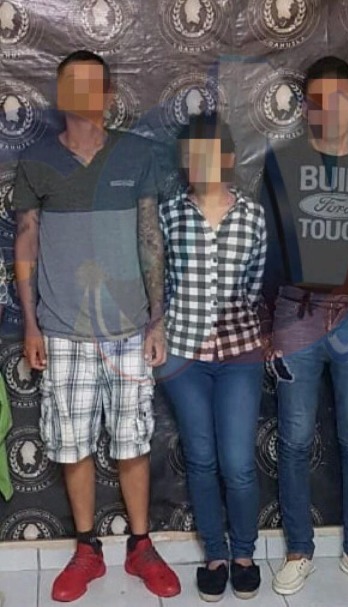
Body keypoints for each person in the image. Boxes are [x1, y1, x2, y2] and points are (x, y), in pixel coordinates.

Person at [13, 50, 181, 602]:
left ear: (109, 95)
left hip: (129, 332)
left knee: (132, 443)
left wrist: (157, 320)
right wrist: (31, 326)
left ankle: (141, 546)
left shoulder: (136, 154)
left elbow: (150, 239)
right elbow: (26, 244)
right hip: (62, 332)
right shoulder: (37, 160)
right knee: (72, 446)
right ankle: (86, 549)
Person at [261, 56, 348, 598]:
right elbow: (272, 245)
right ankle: (299, 550)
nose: (331, 108)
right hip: (295, 313)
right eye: (319, 99)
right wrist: (272, 318)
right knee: (295, 439)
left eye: (341, 97)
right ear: (305, 107)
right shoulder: (283, 161)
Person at [156, 113, 266, 602]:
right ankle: (215, 557)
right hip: (183, 356)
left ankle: (244, 554)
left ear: (229, 158)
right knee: (201, 459)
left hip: (240, 353)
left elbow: (256, 283)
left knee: (238, 462)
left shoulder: (253, 216)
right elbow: (159, 281)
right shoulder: (169, 215)